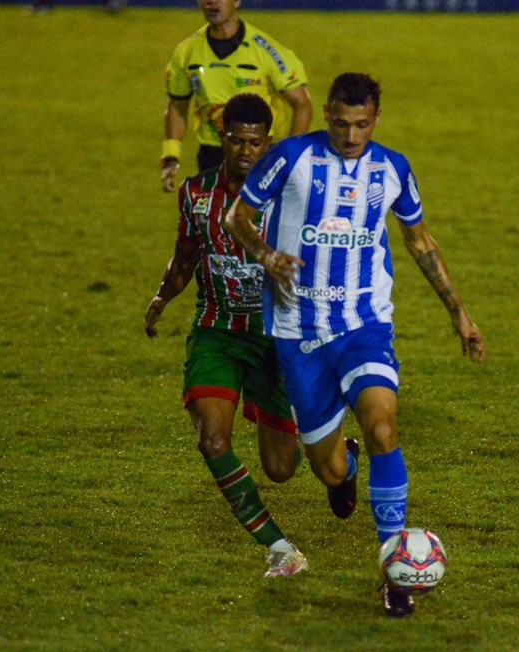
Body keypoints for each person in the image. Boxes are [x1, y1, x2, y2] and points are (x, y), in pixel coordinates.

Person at [224, 73, 485, 617]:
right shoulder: (290, 158)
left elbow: (419, 240)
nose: (350, 135)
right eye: (340, 123)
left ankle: (396, 574)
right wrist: (267, 256)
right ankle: (346, 466)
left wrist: (459, 313)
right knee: (329, 472)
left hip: (365, 323)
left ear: (376, 120)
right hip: (298, 333)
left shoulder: (393, 169)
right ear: (326, 114)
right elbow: (238, 218)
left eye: (361, 125)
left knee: (384, 425)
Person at [145, 93, 307, 579]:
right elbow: (186, 257)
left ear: (269, 144)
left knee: (281, 469)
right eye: (235, 140)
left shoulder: (291, 200)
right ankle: (279, 548)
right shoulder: (196, 195)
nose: (244, 151)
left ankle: (335, 449)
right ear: (222, 138)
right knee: (212, 439)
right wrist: (161, 298)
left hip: (275, 342)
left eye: (255, 143)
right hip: (217, 333)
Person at [161, 0, 313, 192]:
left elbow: (302, 103)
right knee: (214, 219)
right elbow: (177, 104)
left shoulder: (266, 51)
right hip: (213, 153)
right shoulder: (187, 52)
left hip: (261, 153)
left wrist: (290, 156)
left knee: (258, 220)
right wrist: (171, 156)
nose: (211, 2)